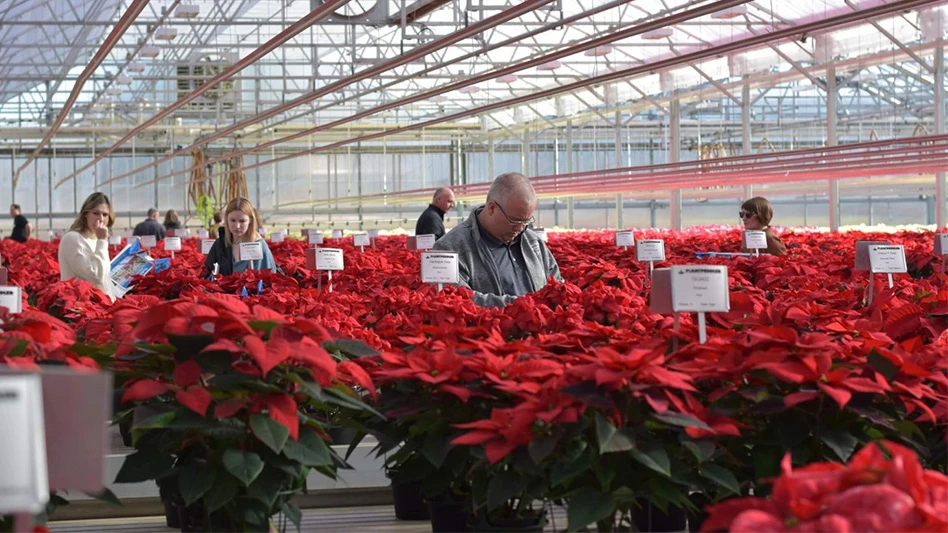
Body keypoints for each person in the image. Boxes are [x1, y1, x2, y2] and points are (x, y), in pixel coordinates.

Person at [433, 172, 561, 308]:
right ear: (492, 208)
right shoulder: (449, 247)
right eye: (515, 220)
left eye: (526, 221)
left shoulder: (533, 241)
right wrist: (522, 306)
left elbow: (557, 285)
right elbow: (456, 300)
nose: (520, 228)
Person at [58, 192, 116, 302]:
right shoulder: (73, 238)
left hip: (101, 307)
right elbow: (97, 276)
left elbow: (103, 279)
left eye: (105, 215)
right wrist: (102, 241)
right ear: (85, 214)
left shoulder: (95, 239)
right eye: (95, 213)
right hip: (83, 310)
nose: (101, 219)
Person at [204, 197, 277, 278]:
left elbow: (268, 279)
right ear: (226, 220)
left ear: (250, 221)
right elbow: (207, 273)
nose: (237, 226)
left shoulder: (259, 246)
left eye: (242, 221)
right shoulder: (220, 244)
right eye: (232, 220)